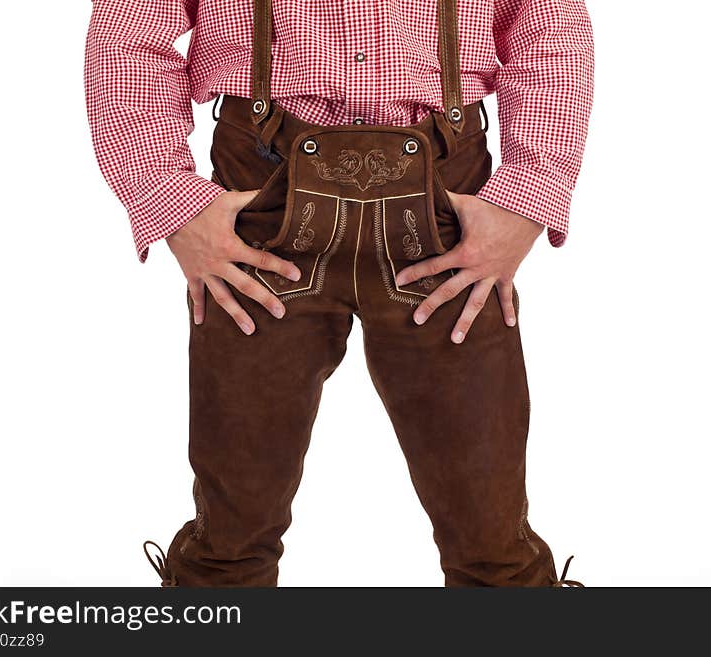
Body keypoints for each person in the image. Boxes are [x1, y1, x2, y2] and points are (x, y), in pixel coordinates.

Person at [85, 0, 594, 587]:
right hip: (262, 198)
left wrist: (529, 193)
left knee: (490, 529)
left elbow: (550, 28)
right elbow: (127, 35)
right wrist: (165, 195)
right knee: (232, 528)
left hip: (444, 204)